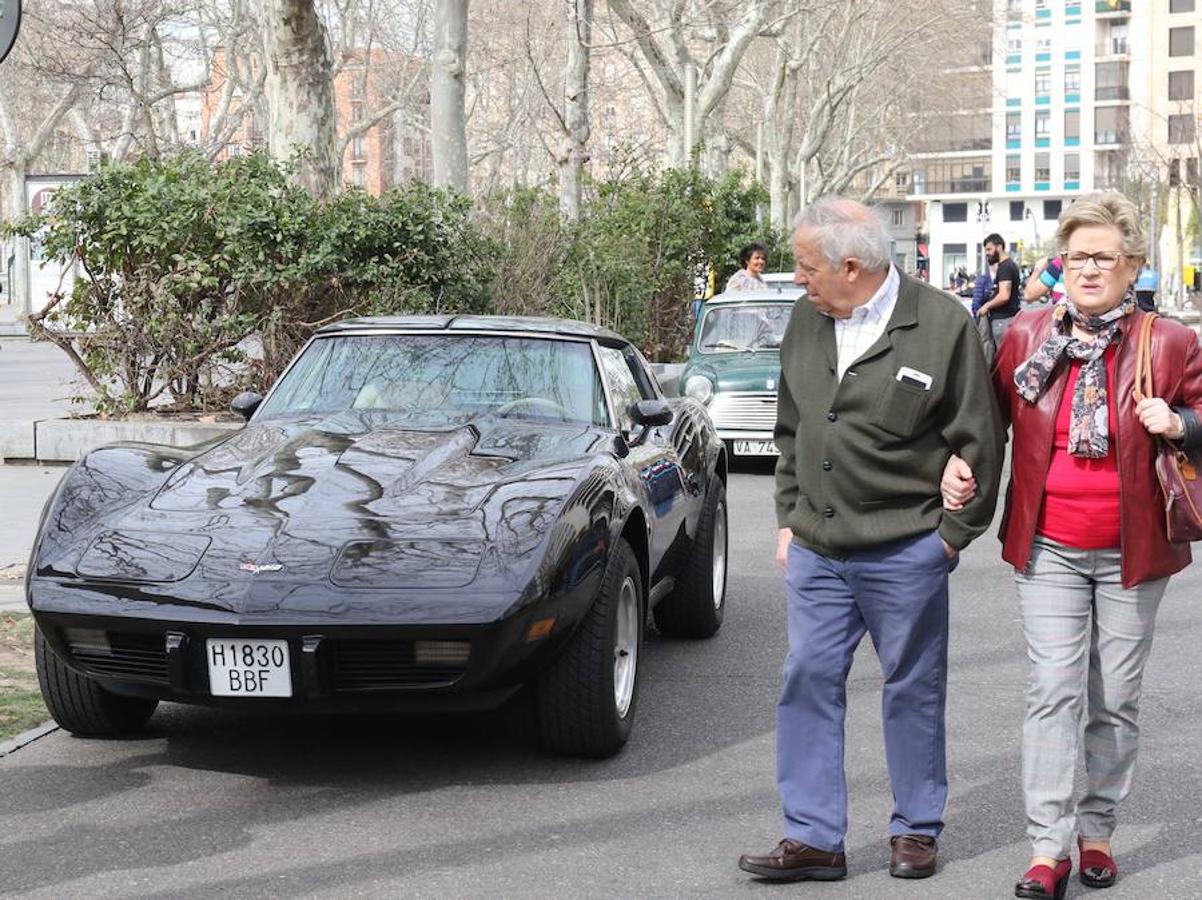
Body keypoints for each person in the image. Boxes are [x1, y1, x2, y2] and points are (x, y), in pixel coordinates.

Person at [940, 192, 1202, 897]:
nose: (1088, 269)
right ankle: (1047, 846)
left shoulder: (1170, 342)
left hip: (1134, 551)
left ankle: (1097, 830)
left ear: (1132, 265)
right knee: (1053, 691)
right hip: (1048, 545)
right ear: (1062, 263)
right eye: (1076, 257)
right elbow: (983, 417)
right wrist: (958, 459)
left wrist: (1180, 423)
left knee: (1114, 697)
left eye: (1103, 257)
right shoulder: (1026, 335)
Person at [737, 196, 1004, 884]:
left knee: (912, 688)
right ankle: (813, 838)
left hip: (906, 549)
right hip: (819, 551)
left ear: (850, 266)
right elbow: (792, 430)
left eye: (804, 266)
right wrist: (791, 515)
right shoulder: (805, 319)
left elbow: (981, 437)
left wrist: (950, 538)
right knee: (807, 681)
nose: (796, 279)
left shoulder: (942, 325)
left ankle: (915, 828)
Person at [977, 233, 1022, 344]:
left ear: (999, 247)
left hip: (1004, 321)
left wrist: (986, 306)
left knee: (1004, 358)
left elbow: (1004, 296)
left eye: (989, 249)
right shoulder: (1008, 265)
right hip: (1007, 320)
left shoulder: (1005, 268)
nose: (987, 253)